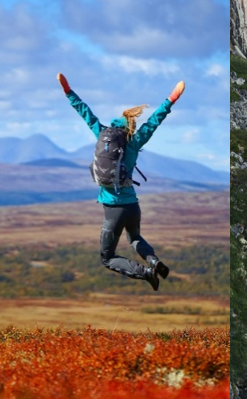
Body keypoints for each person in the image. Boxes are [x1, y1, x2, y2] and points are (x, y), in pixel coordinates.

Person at [56, 73, 185, 291]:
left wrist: (68, 92)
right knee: (134, 238)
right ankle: (153, 261)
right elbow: (154, 121)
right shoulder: (134, 142)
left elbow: (84, 112)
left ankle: (147, 272)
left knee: (107, 258)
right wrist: (171, 99)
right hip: (132, 206)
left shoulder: (101, 133)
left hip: (113, 211)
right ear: (130, 126)